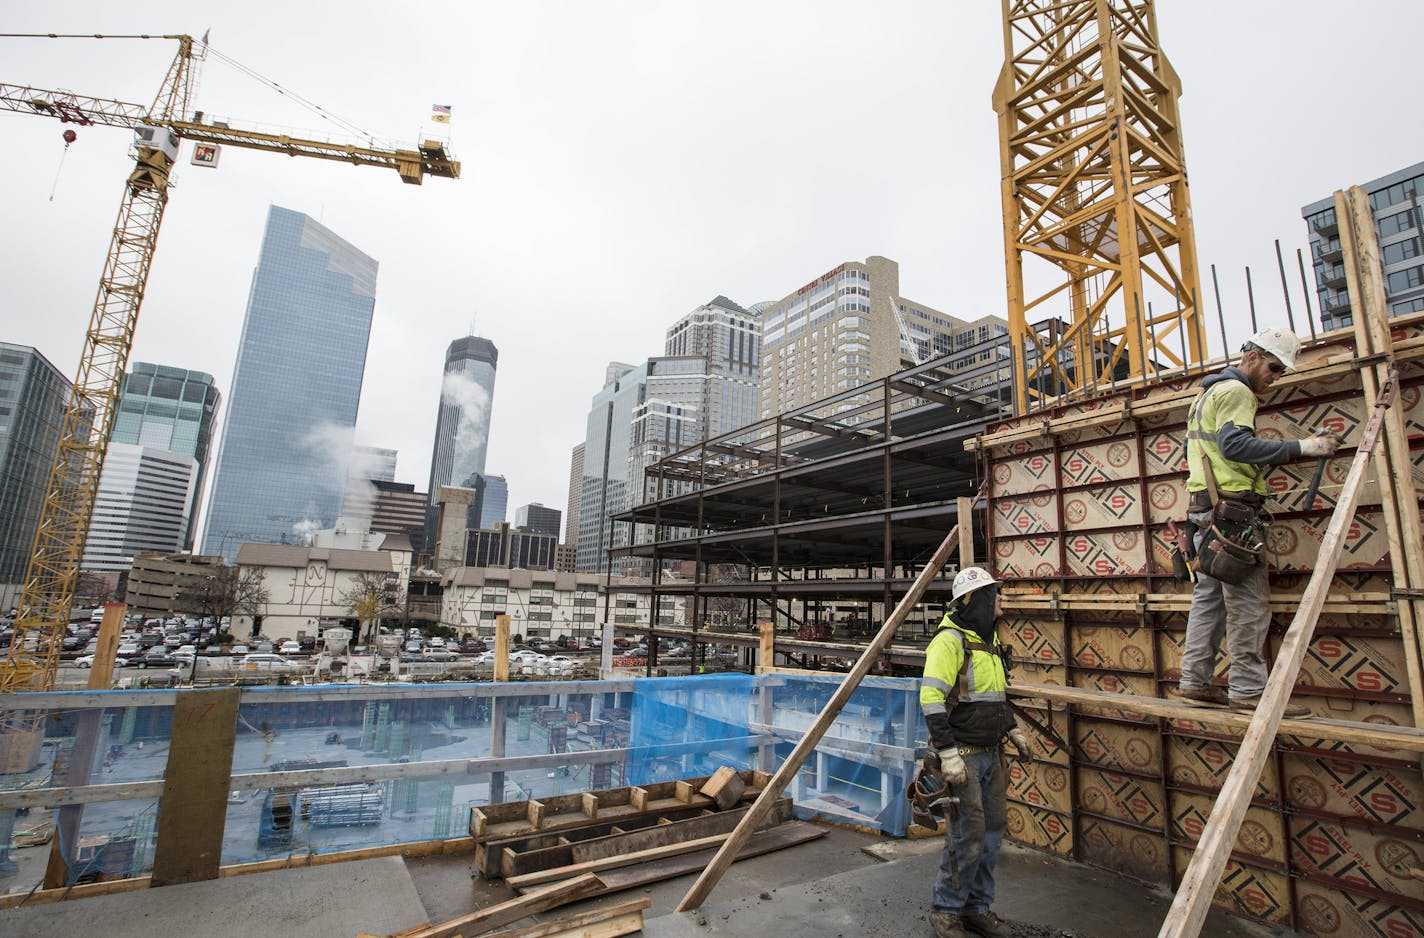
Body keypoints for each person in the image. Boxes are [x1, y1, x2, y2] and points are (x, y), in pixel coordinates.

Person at [1177, 327, 1339, 716]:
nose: (1275, 376)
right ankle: (1248, 690)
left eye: (1281, 371)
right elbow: (1235, 446)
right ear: (1251, 356)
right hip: (1231, 516)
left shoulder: (1206, 395)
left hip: (1205, 512)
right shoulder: (1236, 392)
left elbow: (1215, 453)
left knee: (1209, 602)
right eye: (1273, 366)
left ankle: (1195, 682)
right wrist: (1303, 446)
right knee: (1247, 603)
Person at [920, 566, 1030, 938]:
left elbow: (995, 694)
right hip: (963, 755)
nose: (1000, 601)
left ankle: (976, 907)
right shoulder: (949, 643)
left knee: (993, 830)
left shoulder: (990, 643)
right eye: (994, 595)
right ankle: (946, 910)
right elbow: (931, 700)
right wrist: (948, 754)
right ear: (978, 600)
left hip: (991, 753)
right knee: (968, 833)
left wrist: (1011, 728)